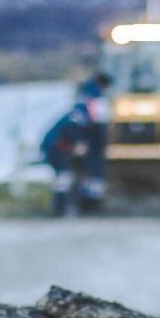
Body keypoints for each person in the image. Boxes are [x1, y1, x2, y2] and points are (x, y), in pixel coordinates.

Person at [41, 73, 111, 216]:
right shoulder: (94, 103)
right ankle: (66, 208)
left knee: (66, 177)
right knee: (65, 177)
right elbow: (89, 127)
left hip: (62, 145)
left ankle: (68, 207)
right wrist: (80, 143)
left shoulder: (83, 102)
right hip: (60, 146)